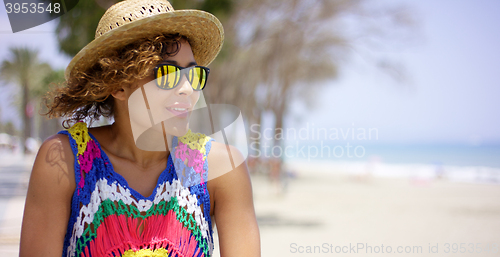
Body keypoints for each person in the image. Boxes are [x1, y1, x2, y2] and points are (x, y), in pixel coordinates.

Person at [19, 0, 261, 256]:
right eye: (168, 74)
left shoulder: (221, 169)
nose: (188, 89)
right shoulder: (64, 162)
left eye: (193, 74)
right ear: (118, 85)